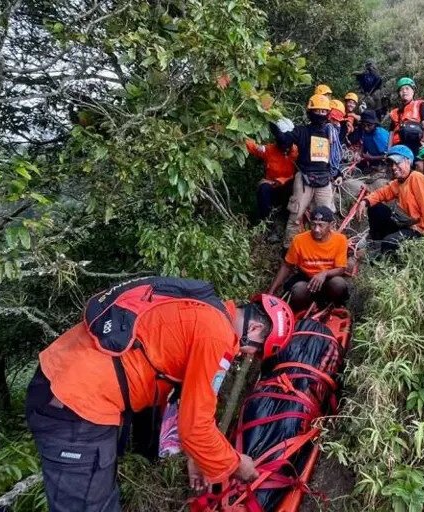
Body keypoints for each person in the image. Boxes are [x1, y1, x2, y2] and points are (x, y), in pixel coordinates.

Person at [25, 277, 294, 512]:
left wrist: (197, 457)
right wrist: (236, 464)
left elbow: (189, 398)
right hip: (77, 406)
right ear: (257, 329)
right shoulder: (217, 335)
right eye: (257, 351)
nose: (248, 356)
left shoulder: (203, 310)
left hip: (62, 377)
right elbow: (196, 427)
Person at [271, 94, 338, 248]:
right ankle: (289, 249)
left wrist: (338, 173)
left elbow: (335, 157)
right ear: (310, 112)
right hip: (304, 178)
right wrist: (279, 135)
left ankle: (326, 248)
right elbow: (287, 140)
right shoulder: (302, 131)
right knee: (295, 215)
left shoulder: (330, 132)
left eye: (323, 111)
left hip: (324, 180)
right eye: (317, 110)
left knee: (326, 217)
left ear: (327, 113)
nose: (320, 114)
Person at [356, 145, 424, 254]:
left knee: (390, 242)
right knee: (375, 208)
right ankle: (375, 242)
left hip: (418, 229)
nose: (394, 167)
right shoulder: (399, 181)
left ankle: (381, 256)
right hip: (404, 223)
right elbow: (382, 193)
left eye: (397, 163)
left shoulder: (416, 178)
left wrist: (422, 230)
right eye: (391, 164)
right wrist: (365, 201)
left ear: (408, 162)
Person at [269, 206, 349, 311]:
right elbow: (287, 266)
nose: (316, 229)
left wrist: (324, 274)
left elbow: (341, 268)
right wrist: (271, 292)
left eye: (321, 225)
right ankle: (304, 309)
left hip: (328, 279)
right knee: (298, 290)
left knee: (339, 284)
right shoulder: (299, 240)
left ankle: (335, 306)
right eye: (313, 224)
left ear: (331, 225)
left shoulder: (340, 240)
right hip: (307, 279)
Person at [245, 134, 298, 233]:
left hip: (288, 187)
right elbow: (253, 147)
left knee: (294, 186)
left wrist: (281, 181)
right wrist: (238, 135)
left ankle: (285, 219)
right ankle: (266, 222)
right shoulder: (269, 150)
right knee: (263, 188)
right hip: (271, 186)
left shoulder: (297, 151)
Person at [340, 110, 391, 200]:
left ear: (375, 124)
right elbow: (364, 144)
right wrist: (359, 153)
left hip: (382, 163)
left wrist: (371, 157)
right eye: (364, 125)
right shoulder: (366, 132)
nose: (366, 128)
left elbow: (388, 155)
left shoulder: (380, 135)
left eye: (369, 125)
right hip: (371, 161)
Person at [388, 77, 424, 156]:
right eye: (401, 90)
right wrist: (389, 150)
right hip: (399, 147)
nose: (404, 91)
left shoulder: (420, 104)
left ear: (413, 91)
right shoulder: (394, 112)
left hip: (415, 144)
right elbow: (391, 133)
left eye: (407, 88)